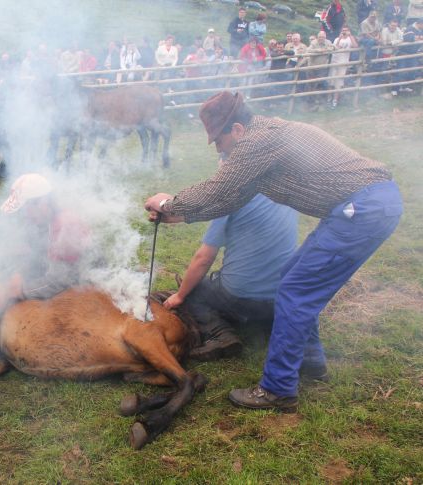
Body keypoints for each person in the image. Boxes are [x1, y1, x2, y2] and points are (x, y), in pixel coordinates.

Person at [144, 91, 401, 411]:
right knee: (292, 278)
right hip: (360, 207)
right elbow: (230, 199)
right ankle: (311, 362)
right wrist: (176, 215)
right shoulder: (267, 138)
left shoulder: (257, 143)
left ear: (237, 130)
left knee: (293, 290)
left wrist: (169, 203)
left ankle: (278, 389)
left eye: (219, 141)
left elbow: (218, 189)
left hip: (360, 210)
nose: (219, 149)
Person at [160, 193, 298, 361]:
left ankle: (221, 336)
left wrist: (180, 296)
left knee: (195, 288)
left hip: (244, 299)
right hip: (283, 298)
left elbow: (203, 259)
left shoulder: (232, 200)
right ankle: (265, 326)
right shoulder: (287, 196)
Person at [0, 173, 92, 303]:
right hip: (58, 273)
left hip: (83, 285)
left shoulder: (64, 226)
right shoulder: (43, 220)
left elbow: (60, 280)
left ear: (43, 202)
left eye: (26, 208)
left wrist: (22, 291)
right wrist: (18, 273)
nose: (25, 215)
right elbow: (32, 252)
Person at [329, 26, 358, 107]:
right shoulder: (336, 39)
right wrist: (339, 38)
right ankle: (329, 99)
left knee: (339, 82)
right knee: (331, 82)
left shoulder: (350, 39)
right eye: (343, 30)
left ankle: (335, 100)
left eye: (346, 30)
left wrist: (350, 36)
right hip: (334, 62)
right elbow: (336, 48)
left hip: (343, 63)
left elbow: (355, 46)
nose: (344, 32)